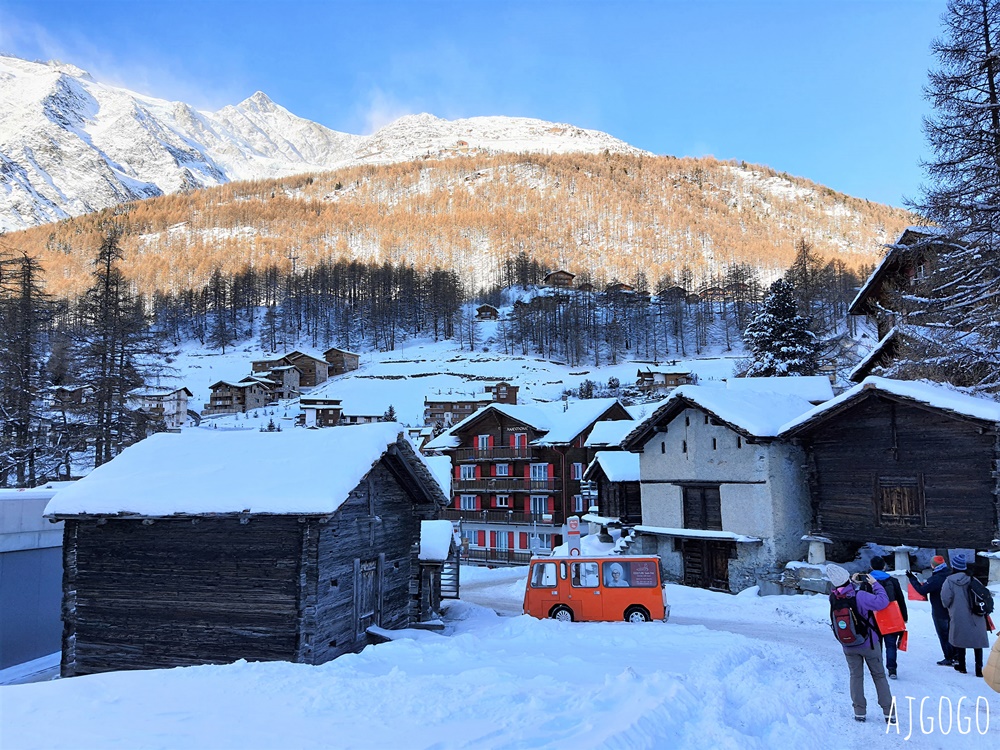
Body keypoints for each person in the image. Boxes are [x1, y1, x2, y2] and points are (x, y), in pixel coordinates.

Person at [827, 564, 893, 723]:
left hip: (848, 646)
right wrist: (875, 585)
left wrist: (851, 582)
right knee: (879, 676)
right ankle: (888, 712)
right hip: (869, 644)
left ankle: (859, 712)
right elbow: (883, 602)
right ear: (847, 578)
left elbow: (846, 593)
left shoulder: (834, 597)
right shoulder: (861, 596)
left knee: (855, 676)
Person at [940, 553, 990, 677]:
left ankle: (962, 666)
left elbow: (945, 600)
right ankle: (979, 669)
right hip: (976, 614)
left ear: (954, 567)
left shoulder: (949, 581)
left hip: (958, 614)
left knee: (960, 639)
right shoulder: (973, 579)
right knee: (977, 641)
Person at [906, 555, 955, 665]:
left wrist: (912, 578)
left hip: (939, 611)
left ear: (933, 565)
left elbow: (922, 590)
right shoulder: (951, 574)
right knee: (953, 633)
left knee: (943, 635)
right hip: (952, 610)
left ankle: (949, 657)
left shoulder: (936, 579)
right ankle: (957, 656)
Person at [869, 555, 907, 679]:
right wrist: (904, 617)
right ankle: (892, 670)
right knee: (891, 645)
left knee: (876, 644)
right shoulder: (893, 581)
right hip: (891, 617)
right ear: (884, 566)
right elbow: (900, 600)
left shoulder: (867, 582)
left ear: (871, 567)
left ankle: (877, 669)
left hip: (873, 617)